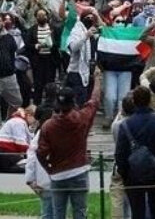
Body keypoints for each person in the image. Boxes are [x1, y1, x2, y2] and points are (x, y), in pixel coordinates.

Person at [37, 68, 103, 219]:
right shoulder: (82, 118)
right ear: (73, 102)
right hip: (79, 170)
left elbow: (41, 152)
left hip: (58, 174)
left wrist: (49, 169)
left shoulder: (48, 126)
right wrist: (98, 80)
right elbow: (94, 101)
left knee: (58, 213)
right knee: (80, 212)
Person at [114, 85, 155, 219]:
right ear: (150, 100)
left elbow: (120, 154)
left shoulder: (126, 124)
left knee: (137, 213)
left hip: (133, 175)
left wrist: (125, 174)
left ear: (134, 101)